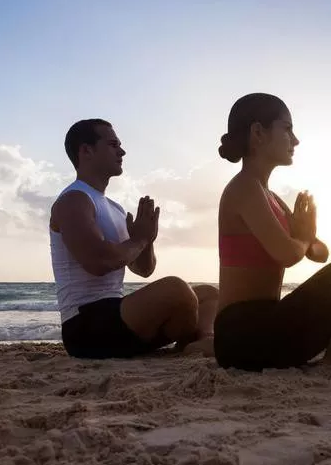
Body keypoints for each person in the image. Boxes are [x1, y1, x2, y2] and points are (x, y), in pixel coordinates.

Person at [213, 93, 331, 371]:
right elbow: (287, 253)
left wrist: (308, 234)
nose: (296, 140)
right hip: (241, 336)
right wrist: (302, 238)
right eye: (287, 128)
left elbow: (319, 254)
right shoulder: (244, 188)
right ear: (258, 133)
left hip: (264, 325)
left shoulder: (271, 198)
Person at [49, 118, 219, 359]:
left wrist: (148, 241)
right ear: (86, 150)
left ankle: (201, 341)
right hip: (85, 325)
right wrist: (139, 239)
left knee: (209, 294)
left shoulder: (114, 208)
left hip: (116, 314)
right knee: (177, 290)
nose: (122, 151)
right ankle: (194, 339)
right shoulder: (73, 200)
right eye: (112, 144)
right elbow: (97, 262)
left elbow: (143, 269)